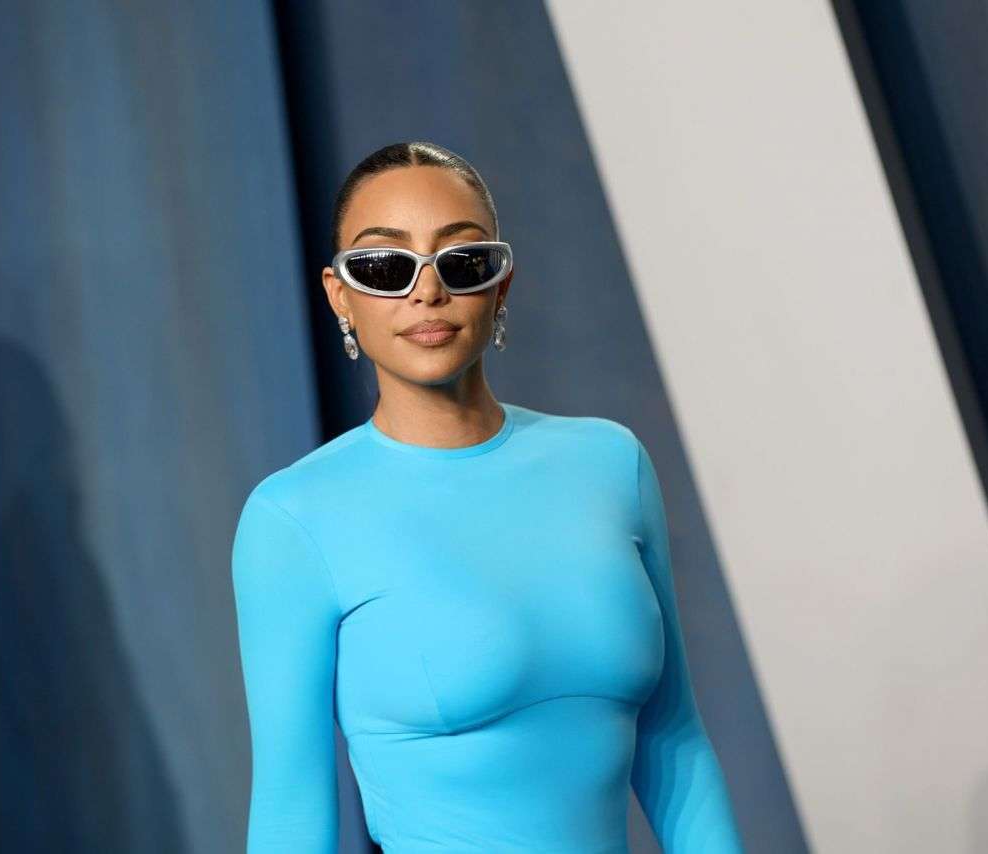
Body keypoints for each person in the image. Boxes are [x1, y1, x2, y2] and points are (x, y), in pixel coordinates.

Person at [231, 140, 744, 853]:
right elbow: (292, 811)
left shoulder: (609, 463)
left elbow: (674, 738)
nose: (426, 292)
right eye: (386, 267)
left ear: (501, 283)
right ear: (340, 294)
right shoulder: (294, 518)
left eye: (461, 260)